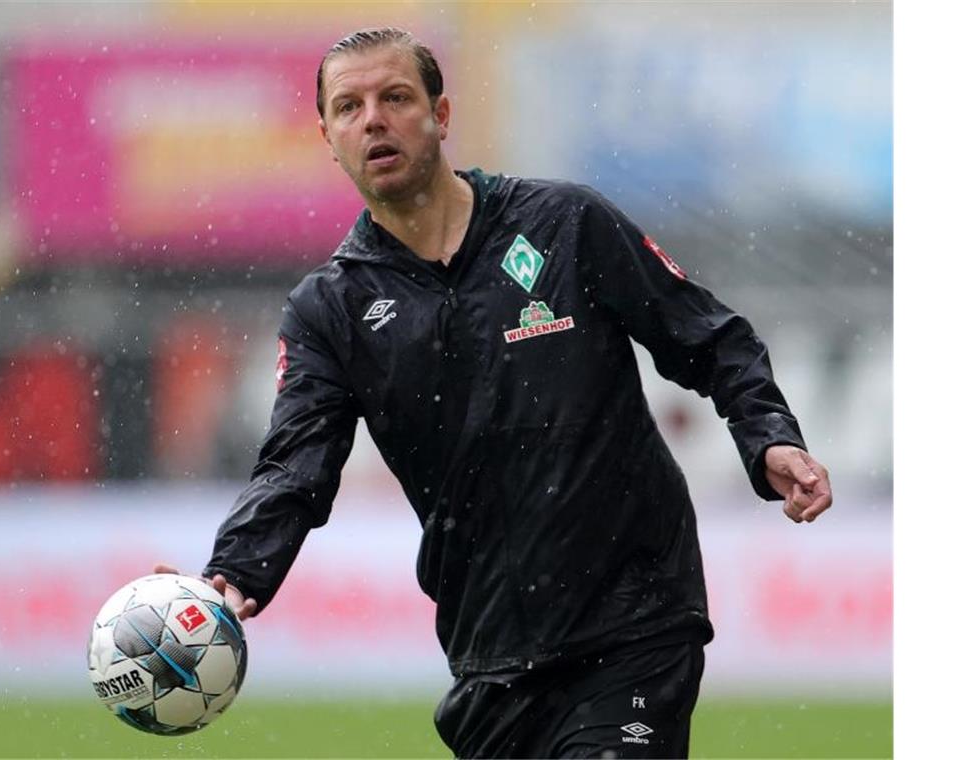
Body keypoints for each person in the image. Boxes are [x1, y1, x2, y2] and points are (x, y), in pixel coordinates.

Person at [156, 26, 833, 758]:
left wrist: (770, 435)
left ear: (441, 116)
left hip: (635, 622)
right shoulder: (332, 309)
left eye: (395, 98)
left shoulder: (566, 225)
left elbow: (707, 336)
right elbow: (295, 465)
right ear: (328, 137)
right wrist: (233, 572)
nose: (373, 119)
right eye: (349, 107)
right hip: (491, 658)